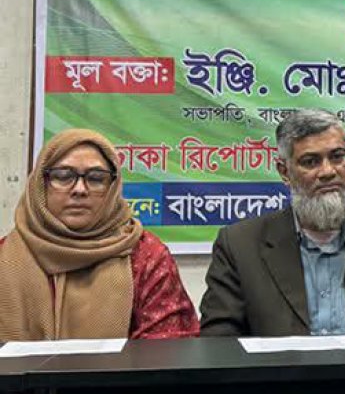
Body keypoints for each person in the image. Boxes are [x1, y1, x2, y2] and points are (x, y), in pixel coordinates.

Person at [199, 109, 345, 336]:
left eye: (337, 157)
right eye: (310, 161)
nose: (328, 171)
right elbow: (218, 342)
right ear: (284, 172)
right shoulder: (240, 247)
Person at [0, 129, 198, 340]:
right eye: (63, 176)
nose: (79, 189)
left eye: (96, 178)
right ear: (40, 184)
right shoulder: (5, 256)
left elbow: (167, 348)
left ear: (113, 187)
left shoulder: (145, 256)